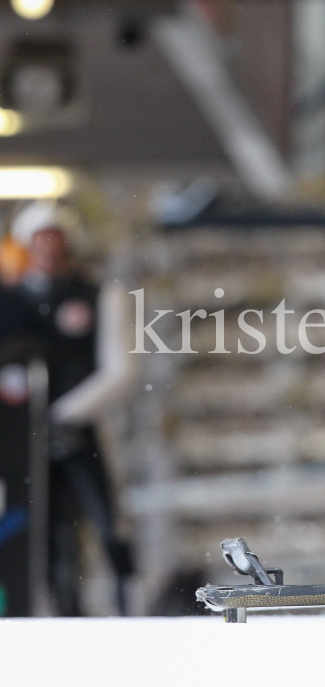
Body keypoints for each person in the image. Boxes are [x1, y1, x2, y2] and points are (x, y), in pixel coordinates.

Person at [9, 202, 134, 615]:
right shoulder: (9, 302)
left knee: (105, 522)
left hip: (80, 431)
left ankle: (121, 603)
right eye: (39, 239)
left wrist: (66, 412)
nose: (48, 247)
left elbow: (121, 369)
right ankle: (42, 606)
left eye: (55, 237)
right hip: (19, 439)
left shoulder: (99, 296)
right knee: (32, 529)